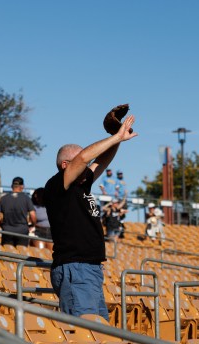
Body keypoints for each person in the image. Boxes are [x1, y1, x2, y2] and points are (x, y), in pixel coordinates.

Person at [44, 114, 138, 320]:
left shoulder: (82, 183)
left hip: (90, 269)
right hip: (75, 269)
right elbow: (85, 157)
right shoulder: (57, 185)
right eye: (80, 161)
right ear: (65, 165)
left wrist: (117, 137)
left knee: (99, 334)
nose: (87, 166)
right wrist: (115, 138)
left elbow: (101, 160)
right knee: (84, 334)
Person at [0, 177, 36, 247]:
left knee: (8, 254)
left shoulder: (4, 198)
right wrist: (33, 225)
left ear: (12, 186)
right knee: (21, 255)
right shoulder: (26, 198)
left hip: (7, 230)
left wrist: (1, 225)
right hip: (22, 231)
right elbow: (33, 215)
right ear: (22, 186)